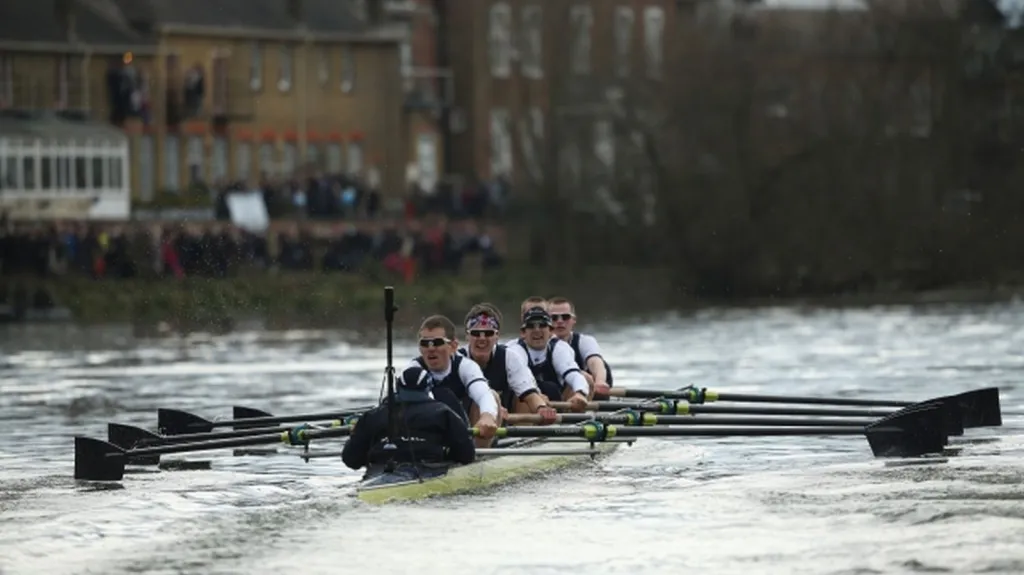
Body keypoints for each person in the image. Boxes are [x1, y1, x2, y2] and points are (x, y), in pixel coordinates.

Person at [341, 365, 476, 474]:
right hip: (429, 472)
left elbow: (351, 460)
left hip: (378, 475)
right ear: (427, 388)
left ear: (398, 387)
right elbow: (467, 455)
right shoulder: (443, 413)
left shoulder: (373, 415)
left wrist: (355, 436)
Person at [409, 314, 502, 447]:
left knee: (493, 396)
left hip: (467, 430)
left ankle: (478, 455)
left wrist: (487, 416)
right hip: (427, 433)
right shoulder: (413, 369)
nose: (430, 349)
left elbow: (484, 394)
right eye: (425, 343)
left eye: (437, 342)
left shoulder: (466, 367)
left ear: (453, 346)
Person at [457, 303, 558, 424]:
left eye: (488, 333)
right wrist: (491, 409)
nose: (482, 338)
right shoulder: (457, 359)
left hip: (506, 421)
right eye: (476, 333)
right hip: (468, 423)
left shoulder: (509, 357)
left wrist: (541, 408)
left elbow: (529, 392)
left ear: (497, 336)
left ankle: (523, 437)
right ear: (467, 336)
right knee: (488, 397)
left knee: (526, 400)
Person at [514, 306, 590, 412]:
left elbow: (574, 375)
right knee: (523, 394)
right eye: (531, 326)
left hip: (556, 402)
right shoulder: (514, 350)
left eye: (542, 325)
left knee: (586, 379)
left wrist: (580, 393)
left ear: (551, 331)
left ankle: (573, 423)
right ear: (523, 332)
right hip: (526, 403)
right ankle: (525, 426)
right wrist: (536, 395)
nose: (537, 330)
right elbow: (523, 377)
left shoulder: (560, 348)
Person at [547, 296, 613, 396]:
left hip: (585, 391)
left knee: (604, 367)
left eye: (565, 317)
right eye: (554, 318)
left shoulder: (585, 341)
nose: (560, 321)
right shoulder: (540, 345)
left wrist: (599, 381)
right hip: (552, 391)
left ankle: (598, 396)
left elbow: (595, 361)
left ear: (574, 320)